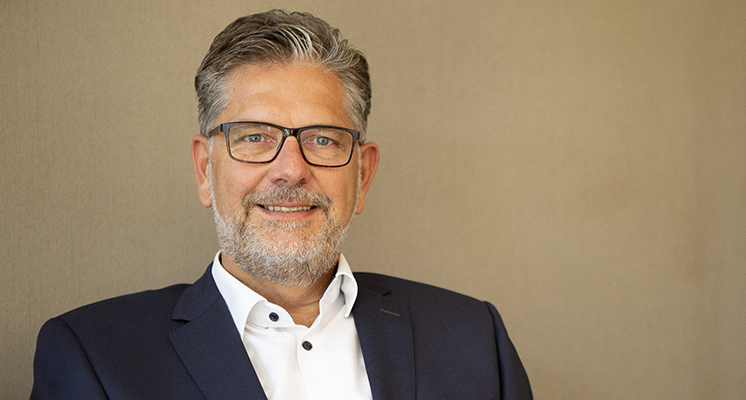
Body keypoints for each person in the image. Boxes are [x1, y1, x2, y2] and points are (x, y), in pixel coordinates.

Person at [30, 10, 533, 400]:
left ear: (363, 173)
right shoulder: (92, 355)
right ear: (205, 169)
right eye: (254, 137)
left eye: (322, 139)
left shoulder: (474, 338)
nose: (290, 169)